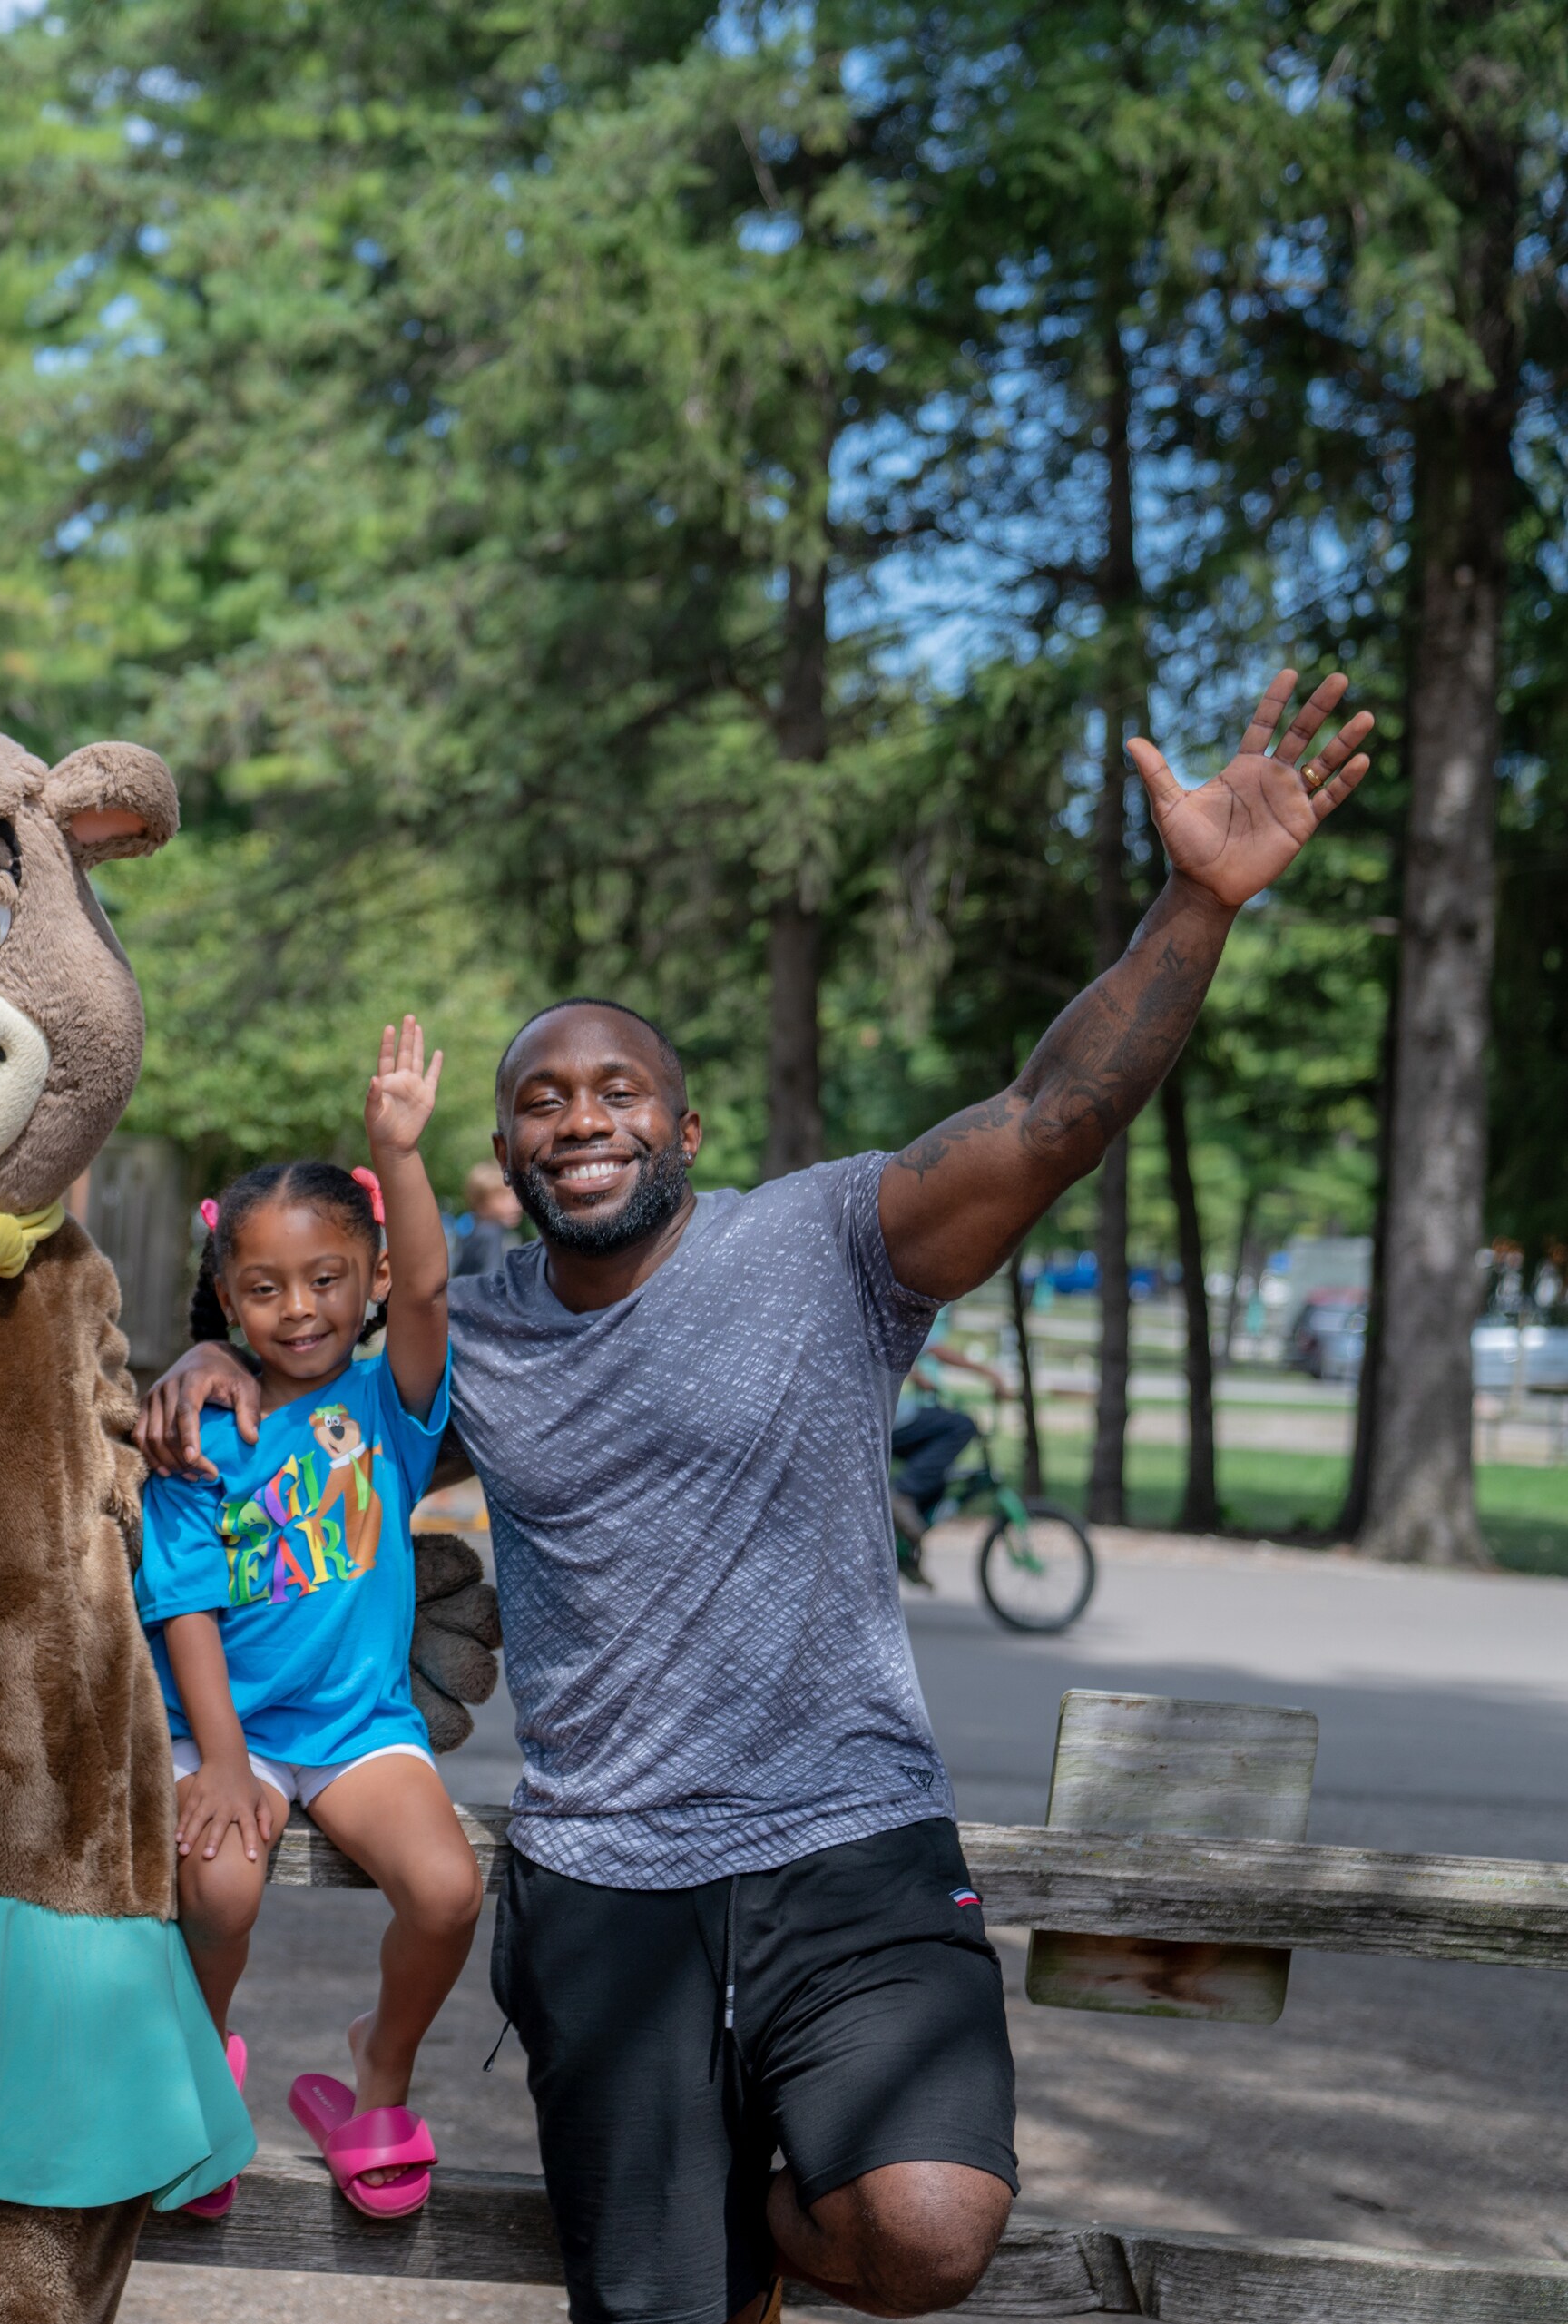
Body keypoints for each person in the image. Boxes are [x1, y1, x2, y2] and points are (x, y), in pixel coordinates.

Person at [142, 672, 1377, 2324]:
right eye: (542, 1099)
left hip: (850, 1839)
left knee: (932, 2229)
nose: (581, 1114)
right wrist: (197, 1369)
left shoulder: (827, 1245)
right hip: (606, 1885)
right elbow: (304, 1425)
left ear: (686, 1128)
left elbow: (1051, 1120)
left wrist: (1196, 904)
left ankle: (754, 2218)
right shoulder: (474, 1332)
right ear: (508, 1153)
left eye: (617, 1090)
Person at [139, 1014, 479, 2223]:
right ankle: (196, 2068)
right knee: (221, 1888)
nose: (298, 1309)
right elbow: (180, 1598)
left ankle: (374, 2072)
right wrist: (222, 1760)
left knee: (446, 1893)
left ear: (370, 1281)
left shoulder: (391, 1404)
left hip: (356, 1723)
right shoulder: (197, 1424)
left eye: (328, 1279)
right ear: (226, 1293)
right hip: (225, 1725)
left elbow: (437, 1280)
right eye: (266, 1287)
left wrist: (400, 1153)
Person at [889, 1320, 1004, 1562]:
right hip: (893, 1416)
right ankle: (903, 1493)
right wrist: (988, 1373)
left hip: (889, 1415)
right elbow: (934, 1350)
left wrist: (915, 1373)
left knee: (936, 1471)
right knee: (961, 1425)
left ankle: (905, 1550)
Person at [446, 1158, 524, 1278]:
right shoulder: (491, 1234)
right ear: (482, 1204)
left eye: (516, 1196)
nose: (517, 1205)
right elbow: (492, 1282)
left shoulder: (473, 1233)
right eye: (504, 1198)